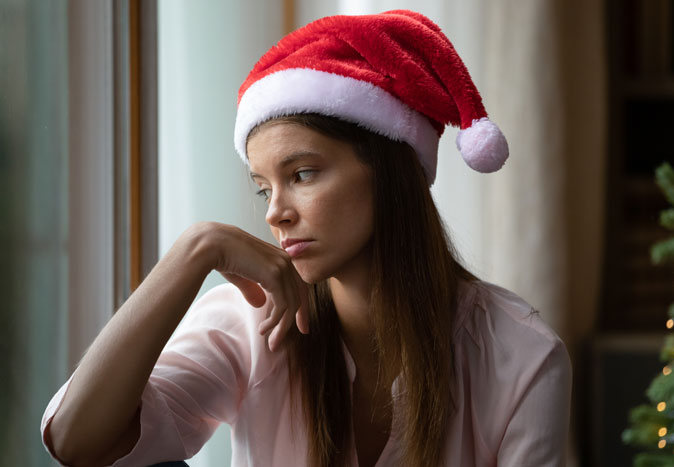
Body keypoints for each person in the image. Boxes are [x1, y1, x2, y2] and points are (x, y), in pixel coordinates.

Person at [41, 10, 571, 467]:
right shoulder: (250, 321)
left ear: (390, 171)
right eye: (262, 188)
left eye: (302, 174)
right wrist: (195, 248)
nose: (276, 213)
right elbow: (77, 443)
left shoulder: (519, 353)